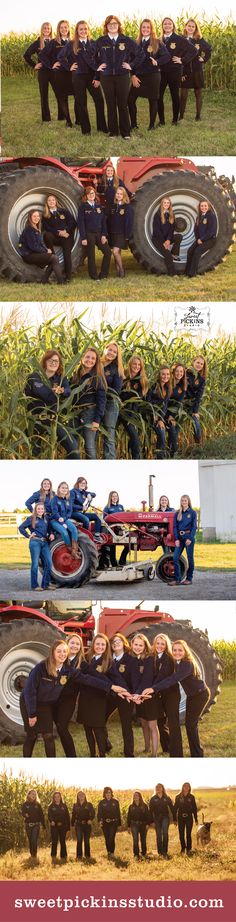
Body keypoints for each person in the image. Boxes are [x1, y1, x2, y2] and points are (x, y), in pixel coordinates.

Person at [20, 639, 122, 758]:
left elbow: (88, 679)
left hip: (46, 704)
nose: (62, 654)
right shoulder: (41, 667)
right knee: (31, 735)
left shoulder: (67, 670)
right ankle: (26, 762)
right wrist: (32, 713)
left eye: (64, 652)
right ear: (52, 652)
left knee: (48, 735)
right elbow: (29, 691)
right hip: (29, 702)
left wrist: (111, 686)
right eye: (59, 651)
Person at [142, 639, 210, 757]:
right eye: (174, 650)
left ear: (185, 651)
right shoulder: (177, 662)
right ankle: (195, 753)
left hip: (200, 695)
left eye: (180, 650)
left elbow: (172, 679)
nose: (177, 652)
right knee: (190, 725)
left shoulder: (187, 664)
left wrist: (153, 689)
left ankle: (198, 754)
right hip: (192, 696)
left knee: (191, 725)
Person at [94, 15, 144, 138]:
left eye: (114, 23)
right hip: (106, 77)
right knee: (110, 104)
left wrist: (131, 65)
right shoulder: (101, 41)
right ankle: (113, 132)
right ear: (106, 26)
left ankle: (125, 132)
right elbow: (88, 55)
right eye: (109, 24)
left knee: (122, 104)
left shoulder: (126, 40)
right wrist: (97, 66)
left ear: (118, 25)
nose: (112, 25)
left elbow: (141, 54)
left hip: (122, 76)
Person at [25, 349, 80, 458]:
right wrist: (52, 393)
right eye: (50, 360)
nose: (53, 363)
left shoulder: (61, 379)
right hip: (36, 421)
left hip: (54, 421)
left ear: (59, 364)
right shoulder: (33, 377)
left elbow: (68, 391)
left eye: (56, 361)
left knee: (74, 450)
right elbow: (27, 397)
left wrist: (62, 391)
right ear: (44, 361)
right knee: (35, 455)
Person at [58, 21, 107, 134]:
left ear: (88, 30)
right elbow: (60, 56)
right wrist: (69, 66)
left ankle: (102, 127)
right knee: (81, 102)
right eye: (81, 29)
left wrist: (98, 77)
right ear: (77, 31)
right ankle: (86, 130)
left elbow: (99, 62)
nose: (83, 31)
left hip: (92, 77)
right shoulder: (72, 44)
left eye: (85, 29)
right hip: (78, 77)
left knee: (99, 100)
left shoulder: (94, 43)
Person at [128, 19, 171, 131]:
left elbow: (166, 56)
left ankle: (151, 126)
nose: (145, 29)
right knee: (130, 99)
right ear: (140, 29)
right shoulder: (135, 43)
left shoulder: (157, 42)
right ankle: (133, 125)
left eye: (148, 27)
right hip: (138, 77)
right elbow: (130, 61)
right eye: (143, 27)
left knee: (153, 99)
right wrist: (132, 75)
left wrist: (157, 62)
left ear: (151, 29)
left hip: (153, 76)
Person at [77, 634, 112, 757]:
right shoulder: (85, 658)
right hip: (85, 697)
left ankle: (102, 754)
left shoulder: (108, 661)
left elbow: (110, 680)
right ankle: (92, 754)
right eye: (98, 644)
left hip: (99, 699)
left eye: (103, 644)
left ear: (106, 646)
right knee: (87, 728)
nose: (100, 646)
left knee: (98, 728)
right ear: (93, 644)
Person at [158, 17, 197, 125]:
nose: (167, 25)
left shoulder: (179, 39)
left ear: (173, 26)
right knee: (158, 96)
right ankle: (161, 121)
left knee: (174, 95)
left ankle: (175, 120)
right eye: (165, 24)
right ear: (162, 26)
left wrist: (182, 60)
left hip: (174, 71)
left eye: (169, 24)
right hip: (161, 72)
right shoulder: (159, 39)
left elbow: (193, 50)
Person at [53, 633, 86, 757]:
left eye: (78, 644)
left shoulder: (82, 663)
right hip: (55, 699)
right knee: (60, 727)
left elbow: (90, 678)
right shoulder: (61, 658)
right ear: (67, 644)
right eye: (72, 643)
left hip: (69, 700)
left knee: (62, 727)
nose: (75, 646)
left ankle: (72, 756)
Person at [71, 347, 107, 459]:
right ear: (82, 358)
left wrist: (97, 420)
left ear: (96, 361)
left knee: (89, 446)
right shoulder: (75, 375)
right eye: (87, 357)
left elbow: (101, 401)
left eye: (93, 358)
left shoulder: (97, 378)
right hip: (74, 413)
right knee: (73, 444)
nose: (89, 360)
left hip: (89, 414)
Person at [151, 634, 183, 757]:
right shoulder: (153, 657)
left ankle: (177, 753)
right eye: (157, 643)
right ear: (154, 644)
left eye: (162, 644)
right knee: (160, 721)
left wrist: (151, 689)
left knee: (173, 722)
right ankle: (167, 747)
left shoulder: (169, 658)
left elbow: (162, 676)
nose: (159, 646)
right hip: (159, 693)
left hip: (171, 694)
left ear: (166, 646)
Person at [39, 19, 73, 126]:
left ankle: (79, 120)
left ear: (69, 28)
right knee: (63, 97)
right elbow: (42, 55)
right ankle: (68, 121)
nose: (64, 29)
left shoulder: (74, 41)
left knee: (78, 96)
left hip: (72, 73)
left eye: (65, 27)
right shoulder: (54, 42)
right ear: (58, 29)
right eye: (61, 27)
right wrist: (51, 65)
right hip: (59, 73)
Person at [107, 633, 134, 757]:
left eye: (119, 640)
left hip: (126, 696)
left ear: (124, 642)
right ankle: (106, 744)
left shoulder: (130, 659)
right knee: (100, 719)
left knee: (126, 725)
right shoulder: (107, 659)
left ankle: (129, 753)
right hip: (111, 695)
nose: (116, 643)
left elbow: (134, 679)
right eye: (113, 641)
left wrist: (128, 693)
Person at [130, 634, 158, 757]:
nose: (138, 647)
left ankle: (154, 754)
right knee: (144, 724)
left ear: (145, 646)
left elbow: (146, 680)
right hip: (139, 697)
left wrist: (138, 695)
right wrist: (135, 695)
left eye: (140, 645)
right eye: (135, 644)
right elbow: (134, 680)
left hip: (148, 696)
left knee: (152, 725)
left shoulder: (149, 659)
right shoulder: (133, 659)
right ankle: (147, 748)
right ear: (132, 645)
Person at [18, 211, 64, 283]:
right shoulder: (29, 229)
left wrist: (46, 249)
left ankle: (44, 280)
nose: (36, 218)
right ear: (30, 218)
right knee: (54, 258)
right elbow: (33, 246)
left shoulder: (35, 228)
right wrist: (46, 251)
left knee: (53, 259)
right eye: (34, 216)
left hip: (33, 253)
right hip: (28, 255)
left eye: (38, 216)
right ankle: (61, 282)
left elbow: (39, 244)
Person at [180, 20, 212, 121]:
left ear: (195, 28)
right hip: (184, 70)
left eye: (193, 27)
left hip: (197, 70)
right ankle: (181, 116)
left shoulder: (199, 40)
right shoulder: (181, 39)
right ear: (185, 27)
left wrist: (204, 59)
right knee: (183, 94)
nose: (190, 28)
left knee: (198, 92)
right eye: (189, 26)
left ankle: (198, 116)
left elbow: (208, 50)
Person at [23, 22, 55, 122]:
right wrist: (34, 65)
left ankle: (62, 116)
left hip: (54, 71)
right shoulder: (37, 43)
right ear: (42, 30)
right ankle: (46, 118)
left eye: (48, 28)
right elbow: (26, 55)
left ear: (51, 30)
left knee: (60, 93)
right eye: (45, 28)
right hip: (43, 72)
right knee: (44, 95)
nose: (46, 30)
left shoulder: (55, 41)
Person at [18, 501, 54, 591]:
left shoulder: (46, 518)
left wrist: (51, 534)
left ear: (44, 510)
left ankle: (45, 584)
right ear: (35, 510)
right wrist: (28, 535)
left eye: (42, 509)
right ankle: (35, 586)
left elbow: (49, 528)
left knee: (49, 563)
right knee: (35, 564)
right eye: (38, 509)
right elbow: (21, 527)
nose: (40, 510)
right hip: (35, 543)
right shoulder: (31, 519)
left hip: (44, 542)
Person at [77, 186, 111, 280]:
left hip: (99, 234)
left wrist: (104, 235)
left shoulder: (99, 206)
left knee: (107, 252)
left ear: (95, 194)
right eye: (89, 194)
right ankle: (94, 276)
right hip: (89, 234)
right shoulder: (83, 207)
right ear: (86, 196)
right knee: (91, 256)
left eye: (92, 193)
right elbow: (81, 223)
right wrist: (83, 237)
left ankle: (103, 274)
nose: (91, 195)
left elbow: (104, 222)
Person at [42, 194, 76, 282]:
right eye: (49, 200)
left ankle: (68, 277)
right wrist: (58, 233)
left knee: (67, 255)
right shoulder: (45, 215)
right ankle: (53, 256)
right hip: (55, 237)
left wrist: (66, 231)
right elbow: (47, 228)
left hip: (67, 236)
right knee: (47, 235)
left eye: (53, 200)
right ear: (47, 203)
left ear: (56, 201)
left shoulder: (63, 211)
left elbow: (73, 222)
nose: (51, 202)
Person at [120, 354, 149, 459]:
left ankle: (135, 458)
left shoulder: (142, 380)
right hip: (122, 412)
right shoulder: (123, 376)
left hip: (133, 413)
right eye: (134, 364)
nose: (137, 366)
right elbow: (120, 394)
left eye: (139, 365)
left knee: (134, 437)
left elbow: (139, 398)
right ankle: (137, 459)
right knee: (134, 437)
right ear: (130, 364)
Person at [101, 342, 125, 458]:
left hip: (110, 403)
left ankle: (109, 459)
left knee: (109, 433)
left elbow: (116, 391)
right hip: (94, 403)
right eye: (110, 350)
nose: (112, 353)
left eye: (115, 352)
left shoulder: (117, 369)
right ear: (105, 349)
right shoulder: (97, 364)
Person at [185, 201, 217, 277]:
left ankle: (192, 273)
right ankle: (187, 271)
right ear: (199, 207)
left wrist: (202, 239)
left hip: (210, 240)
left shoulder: (211, 216)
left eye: (205, 206)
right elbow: (196, 230)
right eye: (202, 206)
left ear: (208, 206)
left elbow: (211, 231)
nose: (203, 207)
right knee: (190, 251)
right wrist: (198, 239)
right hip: (200, 240)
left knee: (197, 251)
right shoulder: (198, 216)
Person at [107, 187, 133, 277]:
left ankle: (122, 270)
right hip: (113, 233)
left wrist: (127, 235)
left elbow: (129, 222)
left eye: (121, 194)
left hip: (122, 233)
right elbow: (109, 220)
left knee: (115, 251)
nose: (118, 195)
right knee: (117, 253)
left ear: (124, 195)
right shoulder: (113, 206)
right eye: (117, 193)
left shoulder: (127, 207)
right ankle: (118, 272)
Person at [50, 481, 81, 558]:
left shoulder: (68, 500)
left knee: (74, 529)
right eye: (62, 488)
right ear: (59, 489)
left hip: (65, 519)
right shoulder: (55, 499)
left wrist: (63, 519)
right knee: (64, 532)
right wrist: (59, 518)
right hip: (55, 520)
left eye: (66, 488)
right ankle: (69, 549)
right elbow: (54, 512)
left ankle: (74, 550)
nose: (64, 489)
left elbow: (69, 512)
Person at [152, 198, 182, 274]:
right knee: (167, 254)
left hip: (166, 239)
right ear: (162, 204)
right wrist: (164, 242)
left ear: (170, 205)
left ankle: (174, 254)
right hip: (158, 239)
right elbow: (157, 231)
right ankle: (172, 272)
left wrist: (168, 240)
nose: (166, 204)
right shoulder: (158, 214)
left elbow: (171, 230)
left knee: (179, 236)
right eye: (164, 203)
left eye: (168, 203)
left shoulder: (171, 215)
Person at [147, 365, 172, 458]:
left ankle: (160, 457)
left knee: (163, 432)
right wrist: (157, 419)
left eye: (168, 374)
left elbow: (165, 405)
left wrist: (161, 418)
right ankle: (160, 458)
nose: (166, 376)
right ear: (159, 375)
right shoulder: (153, 386)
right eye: (163, 374)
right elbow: (148, 403)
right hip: (150, 415)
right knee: (161, 432)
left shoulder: (167, 387)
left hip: (160, 416)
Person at [172, 494, 197, 584]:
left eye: (185, 500)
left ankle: (189, 578)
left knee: (190, 558)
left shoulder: (192, 513)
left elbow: (194, 527)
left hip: (188, 537)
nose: (184, 502)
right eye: (182, 501)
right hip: (180, 538)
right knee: (175, 558)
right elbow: (175, 527)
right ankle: (177, 579)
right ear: (181, 502)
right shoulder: (177, 513)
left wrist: (190, 538)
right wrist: (176, 539)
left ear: (188, 501)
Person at [186, 354, 207, 443]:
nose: (199, 365)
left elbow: (199, 396)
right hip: (180, 402)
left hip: (191, 403)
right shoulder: (186, 373)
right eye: (197, 362)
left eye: (202, 364)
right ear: (193, 362)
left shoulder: (202, 379)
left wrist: (195, 411)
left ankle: (198, 443)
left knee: (196, 421)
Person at [166, 363, 187, 456]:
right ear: (173, 372)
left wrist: (172, 416)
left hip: (174, 412)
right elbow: (165, 401)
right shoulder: (168, 383)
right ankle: (174, 452)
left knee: (175, 429)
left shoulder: (183, 385)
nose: (179, 373)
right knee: (172, 427)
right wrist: (169, 416)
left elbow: (179, 403)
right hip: (164, 410)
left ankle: (171, 452)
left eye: (181, 371)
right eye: (177, 371)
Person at [149, 784, 174, 857]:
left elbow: (172, 808)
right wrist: (151, 821)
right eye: (157, 787)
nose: (158, 789)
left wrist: (175, 818)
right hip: (156, 819)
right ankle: (160, 852)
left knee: (165, 833)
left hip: (165, 818)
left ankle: (165, 851)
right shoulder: (153, 799)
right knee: (159, 835)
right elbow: (150, 811)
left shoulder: (167, 798)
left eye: (160, 787)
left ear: (163, 788)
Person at [173, 782, 198, 854]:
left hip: (189, 817)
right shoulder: (178, 797)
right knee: (181, 834)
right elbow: (175, 808)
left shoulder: (191, 797)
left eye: (188, 786)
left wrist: (196, 819)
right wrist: (174, 819)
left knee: (188, 834)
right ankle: (183, 848)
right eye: (185, 786)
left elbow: (194, 808)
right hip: (180, 818)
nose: (186, 788)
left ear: (189, 788)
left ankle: (189, 849)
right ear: (182, 787)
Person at [21, 789, 45, 860]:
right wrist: (25, 815)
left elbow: (41, 815)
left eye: (35, 794)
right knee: (30, 840)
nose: (34, 795)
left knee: (34, 839)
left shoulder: (38, 804)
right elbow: (22, 812)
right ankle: (32, 854)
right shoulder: (25, 804)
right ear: (28, 795)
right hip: (28, 825)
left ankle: (34, 855)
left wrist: (43, 825)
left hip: (36, 825)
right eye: (32, 794)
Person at [97, 787, 121, 856]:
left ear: (111, 793)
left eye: (109, 792)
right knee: (107, 838)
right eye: (106, 792)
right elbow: (99, 813)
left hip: (113, 823)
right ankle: (109, 852)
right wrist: (100, 821)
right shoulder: (101, 802)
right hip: (104, 823)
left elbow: (118, 813)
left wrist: (119, 824)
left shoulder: (115, 802)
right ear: (104, 794)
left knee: (111, 837)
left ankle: (112, 852)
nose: (108, 794)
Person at [71, 792, 95, 859]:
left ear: (85, 796)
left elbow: (93, 813)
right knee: (79, 840)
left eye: (82, 795)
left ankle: (87, 855)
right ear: (77, 796)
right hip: (78, 825)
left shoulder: (89, 804)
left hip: (87, 824)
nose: (81, 796)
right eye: (79, 795)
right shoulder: (75, 805)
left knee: (86, 840)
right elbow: (73, 815)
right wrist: (72, 825)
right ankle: (79, 856)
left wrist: (91, 819)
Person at [48, 791, 70, 862]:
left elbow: (67, 817)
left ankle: (64, 855)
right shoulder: (51, 806)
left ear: (60, 797)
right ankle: (53, 855)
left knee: (62, 841)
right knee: (54, 841)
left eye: (58, 796)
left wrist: (68, 828)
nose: (57, 798)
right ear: (53, 798)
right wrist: (52, 821)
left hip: (63, 826)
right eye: (55, 797)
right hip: (54, 826)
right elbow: (49, 815)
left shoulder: (64, 806)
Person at [127, 791, 150, 858]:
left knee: (143, 839)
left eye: (137, 795)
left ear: (140, 797)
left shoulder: (144, 805)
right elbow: (129, 817)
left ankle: (144, 852)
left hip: (143, 824)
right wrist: (128, 826)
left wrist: (147, 824)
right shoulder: (131, 806)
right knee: (135, 840)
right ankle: (136, 854)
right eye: (134, 796)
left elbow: (148, 815)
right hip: (134, 825)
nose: (135, 797)